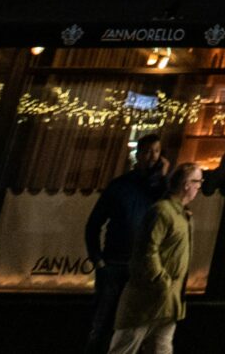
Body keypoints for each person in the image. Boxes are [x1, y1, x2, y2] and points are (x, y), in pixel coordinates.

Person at [84, 136, 169, 354]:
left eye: (157, 152)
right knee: (105, 320)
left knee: (136, 323)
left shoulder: (159, 190)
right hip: (115, 263)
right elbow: (94, 224)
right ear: (138, 154)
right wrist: (99, 261)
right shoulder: (120, 186)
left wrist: (163, 177)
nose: (152, 157)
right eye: (148, 151)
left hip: (143, 267)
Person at [109, 162, 203, 354]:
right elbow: (147, 251)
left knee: (157, 347)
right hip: (148, 300)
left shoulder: (181, 214)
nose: (199, 186)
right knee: (126, 345)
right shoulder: (163, 212)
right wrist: (161, 281)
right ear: (186, 184)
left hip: (168, 302)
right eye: (198, 181)